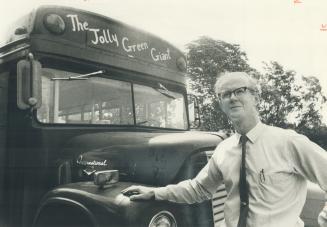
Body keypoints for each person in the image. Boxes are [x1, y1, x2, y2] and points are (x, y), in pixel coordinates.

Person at [121, 72, 327, 227]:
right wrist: (155, 193)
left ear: (256, 97)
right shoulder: (224, 149)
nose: (233, 98)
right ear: (221, 103)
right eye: (225, 94)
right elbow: (198, 189)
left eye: (240, 91)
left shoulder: (289, 142)